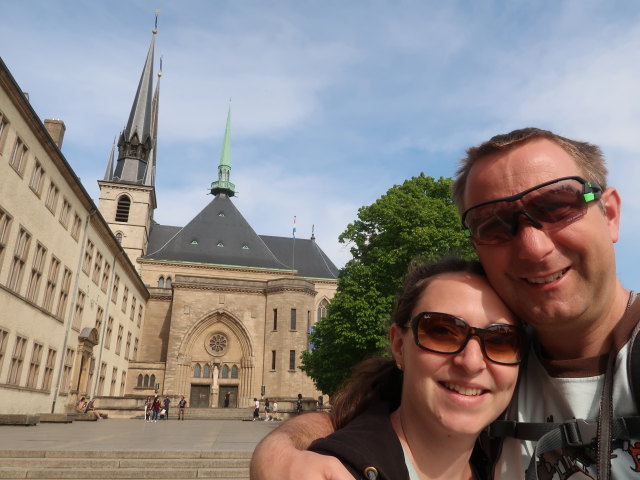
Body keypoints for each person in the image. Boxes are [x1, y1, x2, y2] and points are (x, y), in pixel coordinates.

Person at [249, 127, 640, 479]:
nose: (534, 247)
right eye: (494, 225)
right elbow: (368, 412)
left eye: (558, 206)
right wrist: (284, 450)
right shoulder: (499, 364)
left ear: (609, 213)